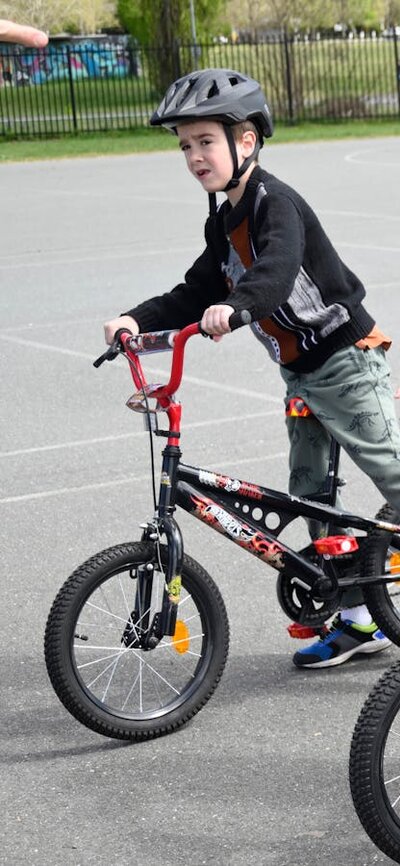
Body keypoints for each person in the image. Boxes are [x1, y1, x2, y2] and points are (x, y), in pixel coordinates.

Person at [104, 67, 400, 669]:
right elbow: (192, 291)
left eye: (205, 141)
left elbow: (277, 272)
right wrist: (133, 321)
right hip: (301, 376)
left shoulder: (276, 204)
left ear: (247, 141)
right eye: (185, 145)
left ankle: (376, 572)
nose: (193, 156)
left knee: (395, 475)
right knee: (314, 497)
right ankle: (357, 619)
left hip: (345, 362)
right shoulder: (223, 221)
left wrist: (238, 308)